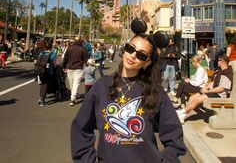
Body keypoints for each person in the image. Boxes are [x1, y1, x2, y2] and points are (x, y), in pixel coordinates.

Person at [71, 18, 186, 162]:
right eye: (131, 48)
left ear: (147, 63)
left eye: (141, 55)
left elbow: (174, 137)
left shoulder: (156, 92)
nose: (133, 55)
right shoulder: (101, 86)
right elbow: (80, 128)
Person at [177, 54, 233, 124]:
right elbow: (213, 83)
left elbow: (221, 88)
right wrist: (206, 88)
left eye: (218, 60)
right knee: (192, 98)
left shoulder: (227, 73)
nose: (217, 62)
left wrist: (208, 91)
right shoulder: (219, 72)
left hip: (219, 95)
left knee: (197, 99)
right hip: (212, 92)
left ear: (222, 61)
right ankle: (183, 116)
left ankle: (181, 112)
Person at [63, 37, 88, 106]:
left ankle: (73, 98)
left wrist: (63, 66)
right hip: (79, 68)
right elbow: (86, 60)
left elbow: (65, 58)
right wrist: (88, 65)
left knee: (71, 83)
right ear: (81, 41)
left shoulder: (70, 48)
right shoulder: (83, 49)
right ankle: (73, 97)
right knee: (75, 84)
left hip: (69, 68)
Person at [35, 41, 56, 107]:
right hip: (48, 71)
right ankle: (42, 101)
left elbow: (37, 62)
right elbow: (54, 64)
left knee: (42, 84)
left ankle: (41, 98)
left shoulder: (41, 53)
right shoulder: (52, 53)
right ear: (51, 47)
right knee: (45, 85)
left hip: (40, 71)